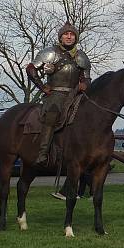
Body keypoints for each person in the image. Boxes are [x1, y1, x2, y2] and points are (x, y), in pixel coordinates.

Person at [26, 22, 91, 167]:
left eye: (72, 34)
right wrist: (42, 87)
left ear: (76, 38)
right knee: (52, 115)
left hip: (76, 94)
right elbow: (31, 69)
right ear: (61, 37)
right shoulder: (50, 53)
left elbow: (87, 77)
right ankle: (43, 153)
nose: (69, 37)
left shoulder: (81, 57)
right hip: (55, 93)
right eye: (66, 34)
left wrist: (85, 84)